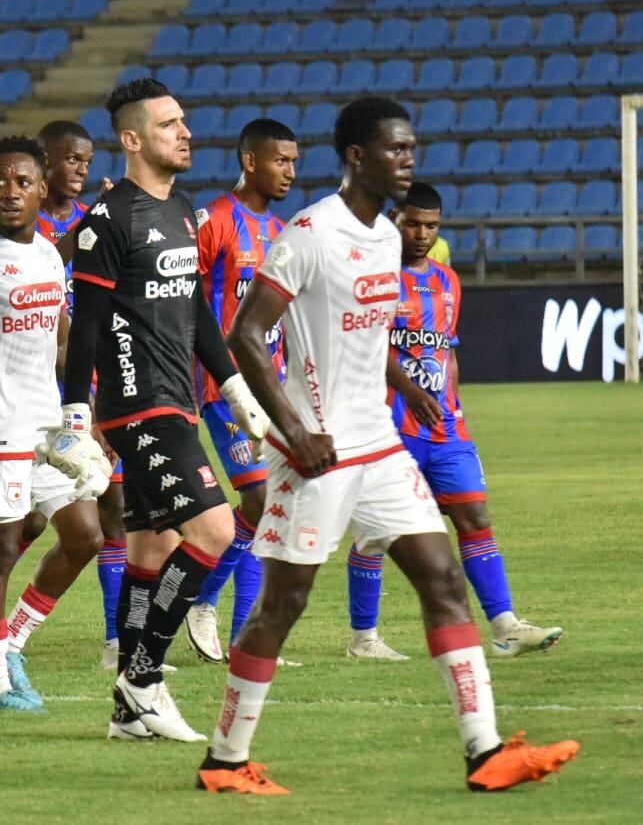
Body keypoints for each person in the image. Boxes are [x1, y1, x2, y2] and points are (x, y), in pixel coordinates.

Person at [193, 98, 578, 796]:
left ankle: (485, 751)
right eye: (395, 150)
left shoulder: (385, 239)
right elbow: (245, 335)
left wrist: (405, 387)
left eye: (410, 149)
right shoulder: (311, 233)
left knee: (442, 578)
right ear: (356, 156)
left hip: (379, 445)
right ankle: (224, 760)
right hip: (316, 452)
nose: (408, 160)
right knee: (283, 605)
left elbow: (368, 341)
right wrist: (294, 431)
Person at [63, 77, 271, 742]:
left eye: (183, 121)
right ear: (132, 140)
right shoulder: (108, 219)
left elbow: (197, 312)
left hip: (179, 401)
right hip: (138, 406)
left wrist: (236, 392)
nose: (185, 133)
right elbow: (85, 327)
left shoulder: (183, 209)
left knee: (152, 550)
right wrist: (74, 420)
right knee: (214, 530)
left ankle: (129, 714)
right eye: (168, 124)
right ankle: (144, 679)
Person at [186, 117, 407, 662]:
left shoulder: (284, 230)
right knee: (262, 501)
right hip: (222, 388)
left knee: (266, 506)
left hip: (272, 390)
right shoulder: (214, 222)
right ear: (250, 161)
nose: (289, 171)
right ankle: (215, 612)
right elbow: (182, 302)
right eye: (280, 160)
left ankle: (221, 614)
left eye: (294, 162)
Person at [0, 136, 109, 711]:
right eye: (0, 182)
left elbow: (62, 343)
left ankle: (11, 641)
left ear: (41, 190)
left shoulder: (50, 255)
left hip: (45, 425)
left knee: (85, 536)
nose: (9, 192)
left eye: (22, 182)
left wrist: (83, 414)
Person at [389, 182, 563, 658]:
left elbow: (447, 349)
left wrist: (455, 407)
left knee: (474, 516)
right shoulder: (375, 279)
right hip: (391, 425)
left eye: (431, 226)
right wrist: (410, 392)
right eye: (413, 223)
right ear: (394, 220)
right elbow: (366, 347)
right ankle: (364, 637)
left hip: (445, 426)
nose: (421, 234)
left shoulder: (448, 281)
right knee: (379, 531)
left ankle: (506, 627)